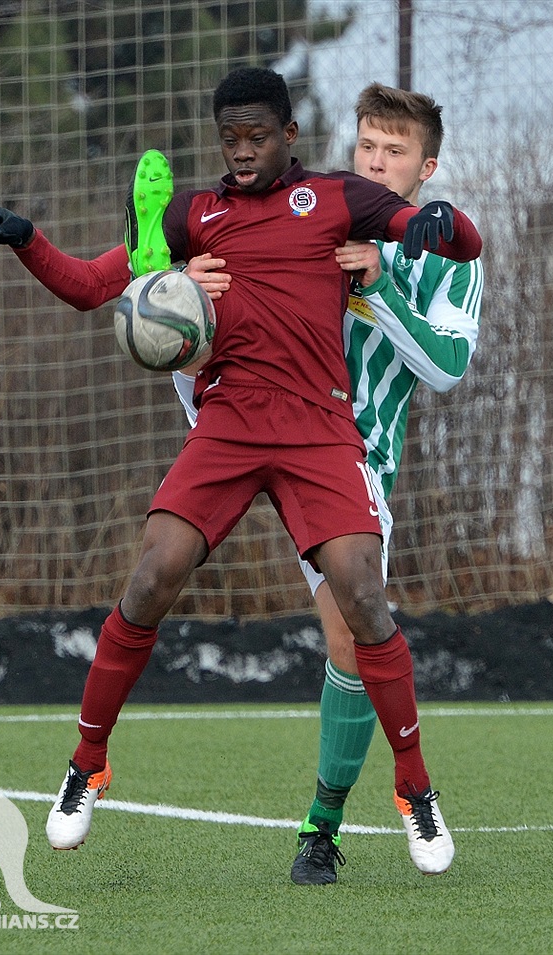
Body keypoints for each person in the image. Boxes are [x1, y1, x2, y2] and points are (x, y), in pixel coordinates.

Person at [0, 67, 482, 880]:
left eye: (257, 136)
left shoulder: (341, 200)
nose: (242, 151)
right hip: (230, 421)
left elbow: (453, 242)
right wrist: (29, 239)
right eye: (229, 137)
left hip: (321, 428)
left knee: (363, 598)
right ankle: (86, 764)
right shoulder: (195, 215)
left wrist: (448, 228)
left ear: (289, 137)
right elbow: (97, 287)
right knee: (151, 573)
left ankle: (413, 789)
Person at [172, 83, 483, 885]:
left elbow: (446, 368)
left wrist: (375, 287)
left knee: (351, 632)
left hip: (357, 458)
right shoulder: (317, 214)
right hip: (254, 434)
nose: (376, 162)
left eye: (396, 153)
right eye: (367, 148)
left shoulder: (439, 251)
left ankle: (326, 825)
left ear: (427, 168)